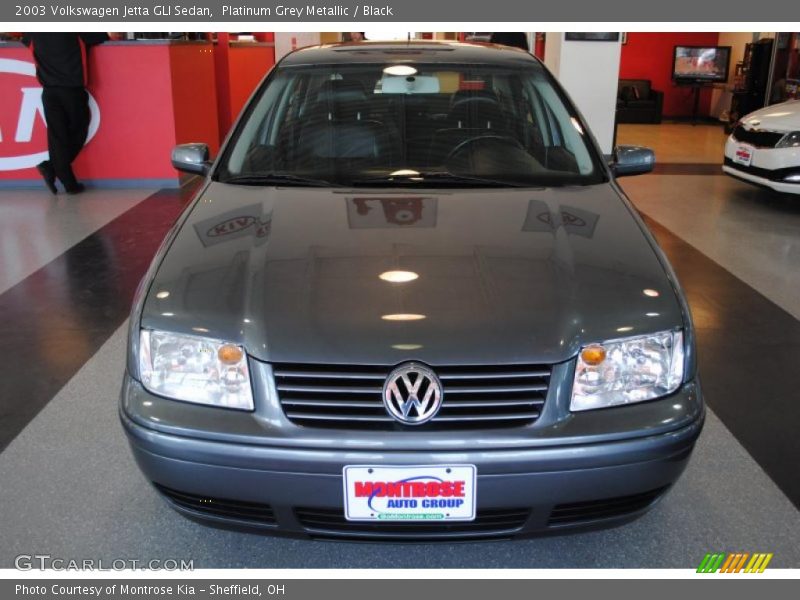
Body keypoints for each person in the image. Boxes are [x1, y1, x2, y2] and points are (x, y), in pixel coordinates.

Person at [21, 33, 109, 195]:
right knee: (78, 132)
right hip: (71, 88)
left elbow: (24, 40)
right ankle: (53, 169)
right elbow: (102, 36)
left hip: (48, 91)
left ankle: (68, 182)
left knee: (58, 138)